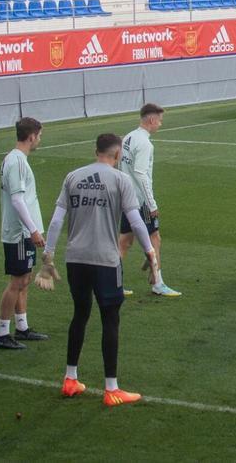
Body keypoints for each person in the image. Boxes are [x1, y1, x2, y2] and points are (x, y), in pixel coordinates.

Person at [43, 133, 158, 406]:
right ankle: (112, 388)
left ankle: (70, 378)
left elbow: (57, 219)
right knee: (110, 319)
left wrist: (48, 256)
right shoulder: (120, 180)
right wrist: (150, 252)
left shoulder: (73, 176)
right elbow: (136, 221)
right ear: (117, 155)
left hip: (75, 259)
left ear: (95, 151)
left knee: (80, 314)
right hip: (106, 260)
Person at [0, 117, 48, 350]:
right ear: (31, 136)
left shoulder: (18, 160)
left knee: (24, 279)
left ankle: (22, 327)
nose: (39, 140)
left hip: (24, 232)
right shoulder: (16, 161)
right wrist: (33, 230)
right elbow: (17, 199)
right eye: (39, 136)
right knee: (17, 281)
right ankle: (2, 333)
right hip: (18, 233)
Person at [118, 103, 179, 297]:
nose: (160, 124)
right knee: (155, 239)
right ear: (152, 120)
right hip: (139, 201)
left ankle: (112, 282)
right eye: (160, 120)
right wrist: (151, 204)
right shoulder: (145, 144)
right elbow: (141, 174)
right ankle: (157, 282)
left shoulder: (127, 137)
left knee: (125, 241)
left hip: (125, 197)